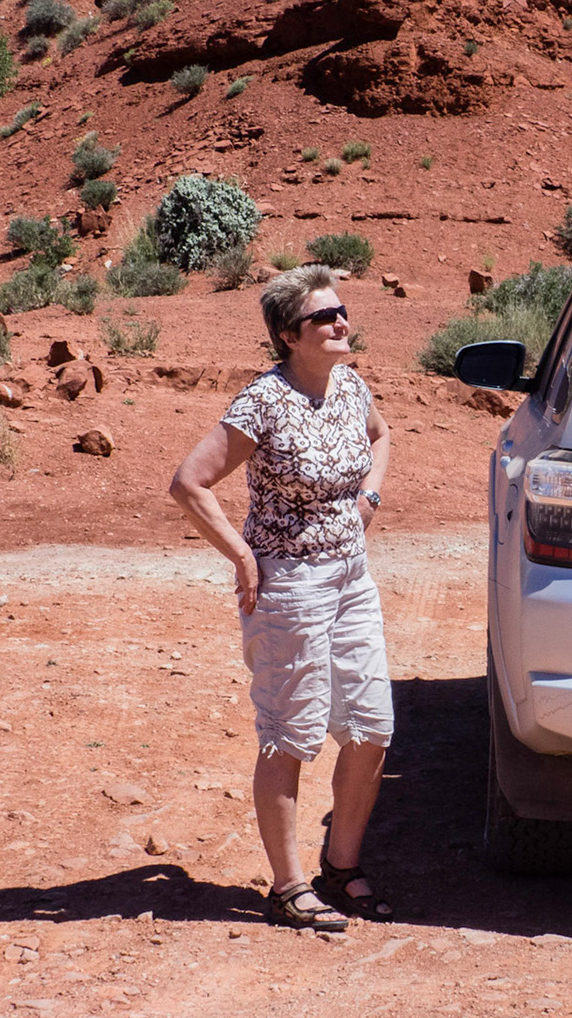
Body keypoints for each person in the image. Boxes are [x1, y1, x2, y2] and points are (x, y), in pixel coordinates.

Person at [168, 264, 394, 931]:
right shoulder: (263, 401)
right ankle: (288, 885)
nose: (341, 323)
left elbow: (383, 438)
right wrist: (242, 556)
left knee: (372, 727)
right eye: (325, 317)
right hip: (290, 585)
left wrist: (368, 500)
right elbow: (189, 483)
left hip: (352, 578)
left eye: (342, 311)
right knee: (291, 737)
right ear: (289, 335)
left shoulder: (351, 387)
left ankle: (341, 867)